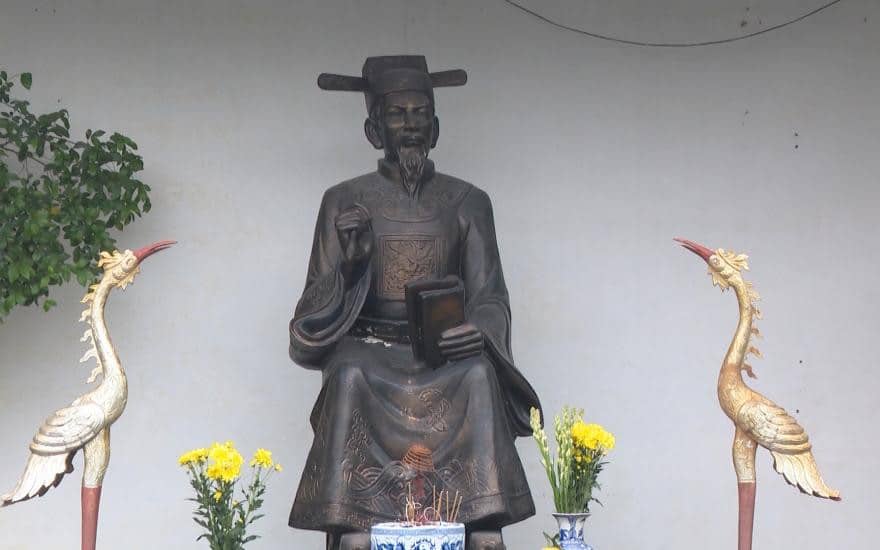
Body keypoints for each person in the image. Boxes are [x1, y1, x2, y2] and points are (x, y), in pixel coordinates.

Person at [289, 56, 541, 550]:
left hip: (444, 356)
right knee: (348, 373)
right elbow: (308, 322)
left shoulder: (468, 201)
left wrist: (479, 331)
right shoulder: (344, 201)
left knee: (478, 374)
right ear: (373, 130)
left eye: (420, 113)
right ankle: (354, 518)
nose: (410, 125)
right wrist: (351, 270)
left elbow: (490, 295)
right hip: (369, 349)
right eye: (397, 114)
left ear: (436, 127)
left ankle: (481, 517)